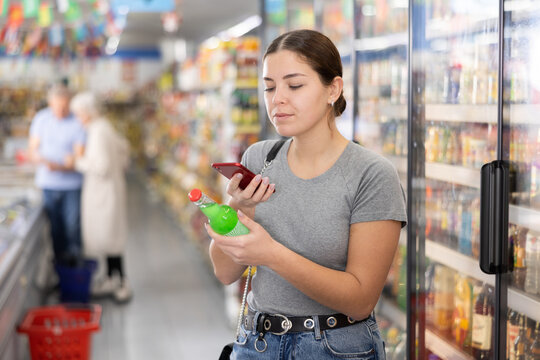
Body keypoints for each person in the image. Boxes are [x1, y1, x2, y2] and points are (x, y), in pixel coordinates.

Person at [206, 29, 407, 358]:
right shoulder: (259, 160)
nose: (277, 99)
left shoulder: (371, 175)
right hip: (257, 343)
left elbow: (360, 300)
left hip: (334, 346)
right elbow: (225, 271)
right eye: (269, 87)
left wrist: (271, 255)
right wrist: (237, 209)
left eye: (294, 85)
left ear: (333, 89)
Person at [67, 91, 132, 303]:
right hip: (107, 191)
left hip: (103, 194)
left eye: (78, 114)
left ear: (86, 113)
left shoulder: (97, 131)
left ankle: (121, 282)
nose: (77, 118)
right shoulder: (103, 127)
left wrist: (78, 160)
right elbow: (124, 150)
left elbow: (101, 166)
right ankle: (110, 279)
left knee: (110, 239)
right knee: (108, 238)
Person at [28, 83, 86, 266]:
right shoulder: (41, 119)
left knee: (72, 226)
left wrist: (63, 166)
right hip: (48, 183)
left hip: (72, 185)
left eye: (65, 107)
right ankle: (59, 268)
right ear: (50, 103)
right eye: (57, 107)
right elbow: (33, 150)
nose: (61, 111)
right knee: (55, 228)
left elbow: (79, 156)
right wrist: (44, 161)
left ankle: (75, 264)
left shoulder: (78, 121)